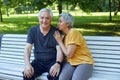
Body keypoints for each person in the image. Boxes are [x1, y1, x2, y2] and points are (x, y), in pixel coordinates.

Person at [23, 8, 63, 80]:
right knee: (27, 75)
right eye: (42, 18)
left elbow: (59, 50)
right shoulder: (33, 31)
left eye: (47, 18)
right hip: (38, 62)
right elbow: (27, 49)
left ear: (51, 19)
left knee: (56, 76)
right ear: (38, 18)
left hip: (52, 62)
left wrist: (58, 64)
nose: (44, 21)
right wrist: (27, 64)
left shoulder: (56, 32)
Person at [54, 12, 94, 80]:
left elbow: (69, 54)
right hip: (71, 63)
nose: (58, 23)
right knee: (62, 78)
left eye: (60, 21)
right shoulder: (66, 36)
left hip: (84, 62)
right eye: (58, 21)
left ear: (68, 24)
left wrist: (60, 41)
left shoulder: (73, 32)